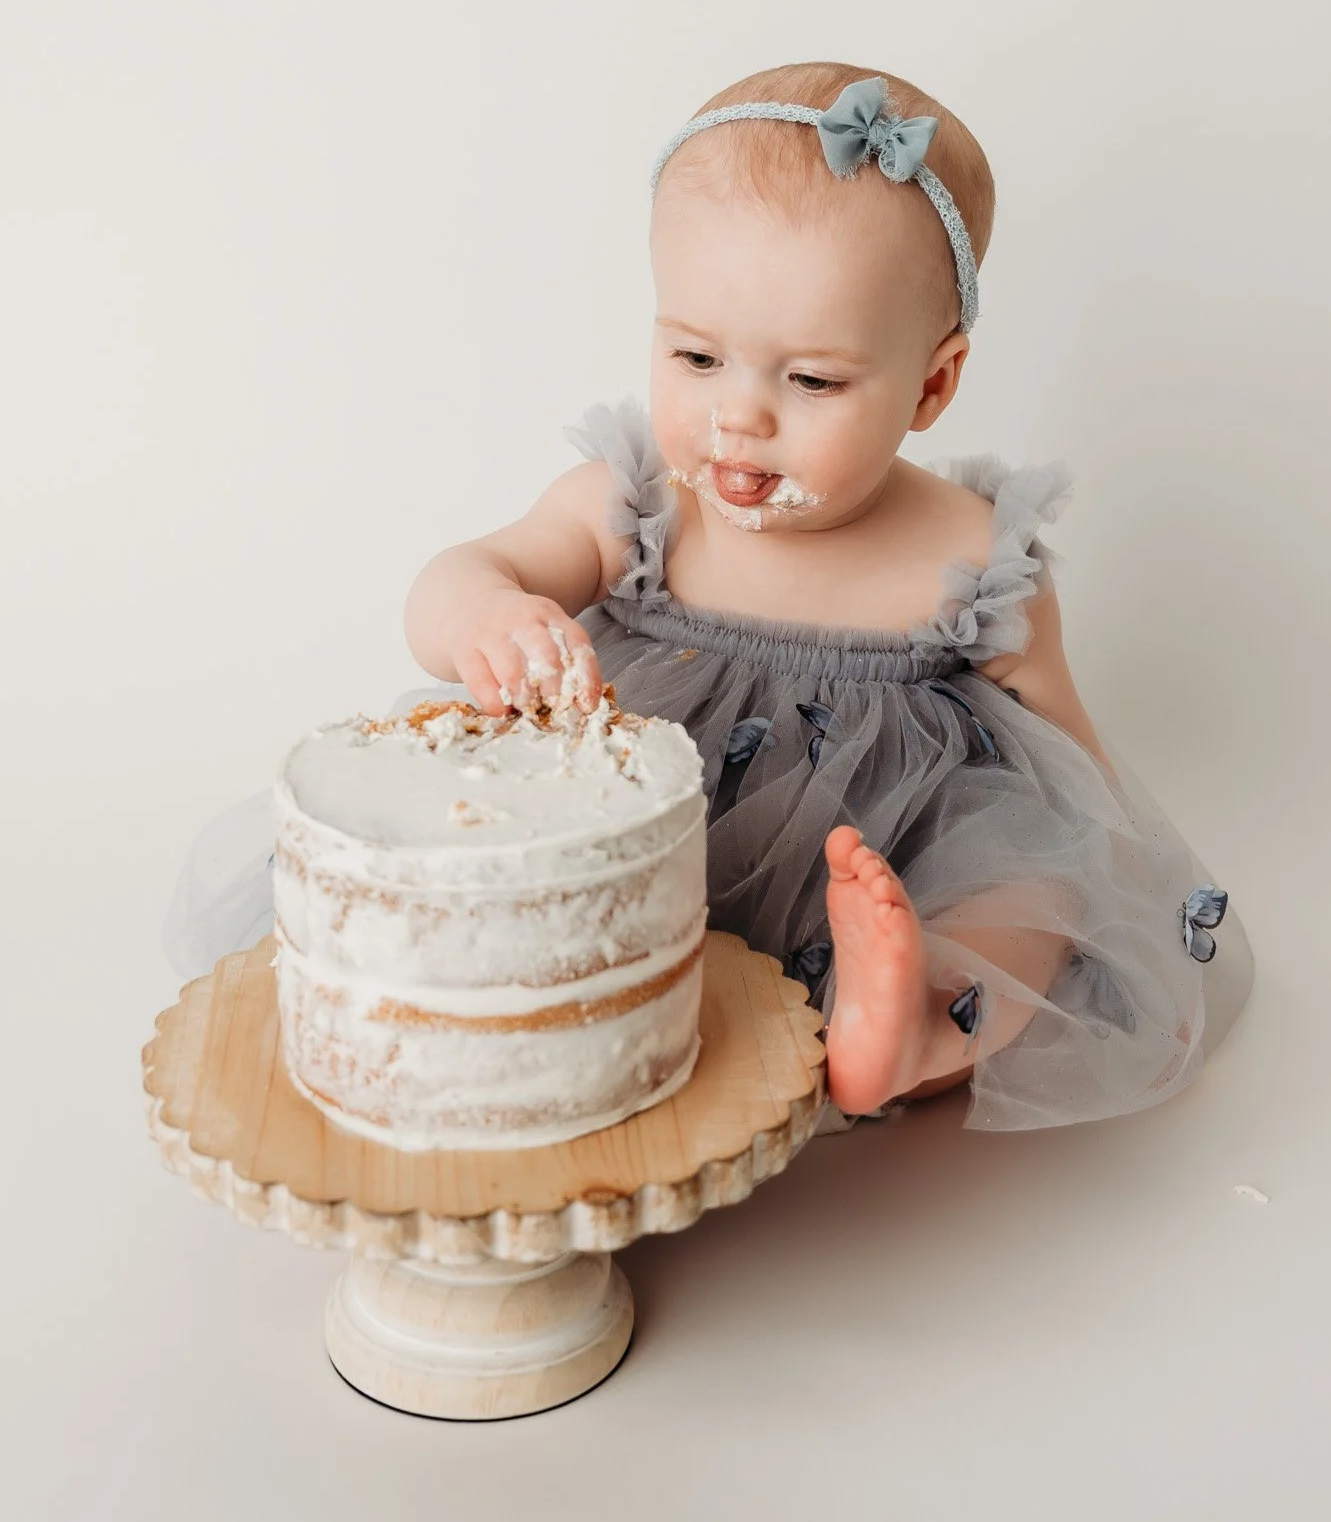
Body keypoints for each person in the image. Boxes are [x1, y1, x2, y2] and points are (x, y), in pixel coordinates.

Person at [166, 61, 1253, 1134]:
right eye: (695, 355)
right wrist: (483, 616)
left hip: (895, 846)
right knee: (466, 816)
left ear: (931, 382)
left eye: (810, 380)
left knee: (1027, 894)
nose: (738, 418)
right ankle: (478, 994)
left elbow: (1069, 767)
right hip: (634, 837)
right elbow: (455, 576)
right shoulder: (635, 503)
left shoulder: (970, 556)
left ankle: (907, 1027)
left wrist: (1116, 910)